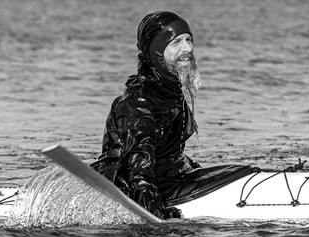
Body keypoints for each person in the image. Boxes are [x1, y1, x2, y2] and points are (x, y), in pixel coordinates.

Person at [91, 11, 255, 219]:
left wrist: (198, 171)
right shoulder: (138, 103)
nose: (187, 49)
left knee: (244, 169)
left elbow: (169, 152)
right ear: (156, 50)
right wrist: (155, 212)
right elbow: (138, 169)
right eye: (176, 42)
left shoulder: (171, 93)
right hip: (135, 187)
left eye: (189, 40)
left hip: (175, 178)